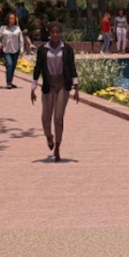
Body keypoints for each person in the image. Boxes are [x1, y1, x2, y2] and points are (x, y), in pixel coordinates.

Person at [30, 23, 79, 162]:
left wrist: (76, 87)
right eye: (53, 32)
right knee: (46, 117)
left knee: (58, 117)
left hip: (63, 84)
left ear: (61, 33)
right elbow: (37, 68)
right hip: (49, 85)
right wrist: (33, 88)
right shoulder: (43, 50)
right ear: (49, 33)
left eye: (58, 32)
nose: (56, 34)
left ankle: (57, 146)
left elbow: (72, 67)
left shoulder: (67, 49)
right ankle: (49, 137)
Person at [0, 12, 31, 89]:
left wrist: (22, 50)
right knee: (10, 64)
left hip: (16, 50)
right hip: (6, 50)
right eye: (10, 18)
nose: (12, 20)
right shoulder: (3, 28)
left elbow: (21, 40)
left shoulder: (17, 28)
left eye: (13, 18)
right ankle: (8, 83)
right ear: (7, 19)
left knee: (13, 66)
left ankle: (10, 82)